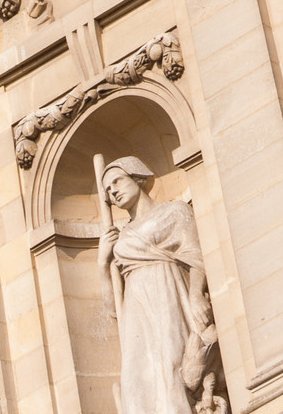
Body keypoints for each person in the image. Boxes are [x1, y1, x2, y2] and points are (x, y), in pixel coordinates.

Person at [98, 156, 219, 414]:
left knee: (172, 366)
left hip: (168, 294)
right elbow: (113, 308)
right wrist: (102, 262)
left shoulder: (174, 211)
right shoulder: (120, 237)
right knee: (135, 381)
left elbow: (195, 255)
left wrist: (196, 293)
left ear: (137, 178)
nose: (113, 192)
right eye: (107, 189)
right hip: (136, 309)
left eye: (117, 181)